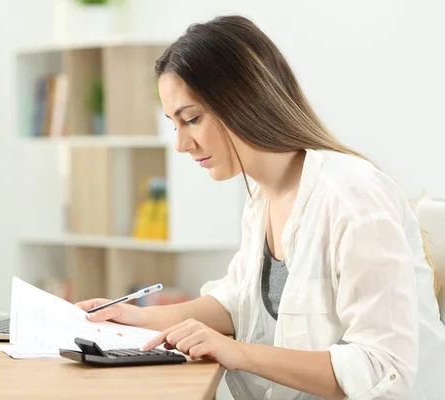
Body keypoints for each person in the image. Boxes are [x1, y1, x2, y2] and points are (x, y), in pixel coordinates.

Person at [76, 15, 445, 400]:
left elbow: (383, 368)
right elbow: (240, 302)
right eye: (174, 124)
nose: (181, 145)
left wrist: (238, 353)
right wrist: (137, 318)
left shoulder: (353, 195)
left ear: (244, 99)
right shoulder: (262, 198)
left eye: (192, 120)